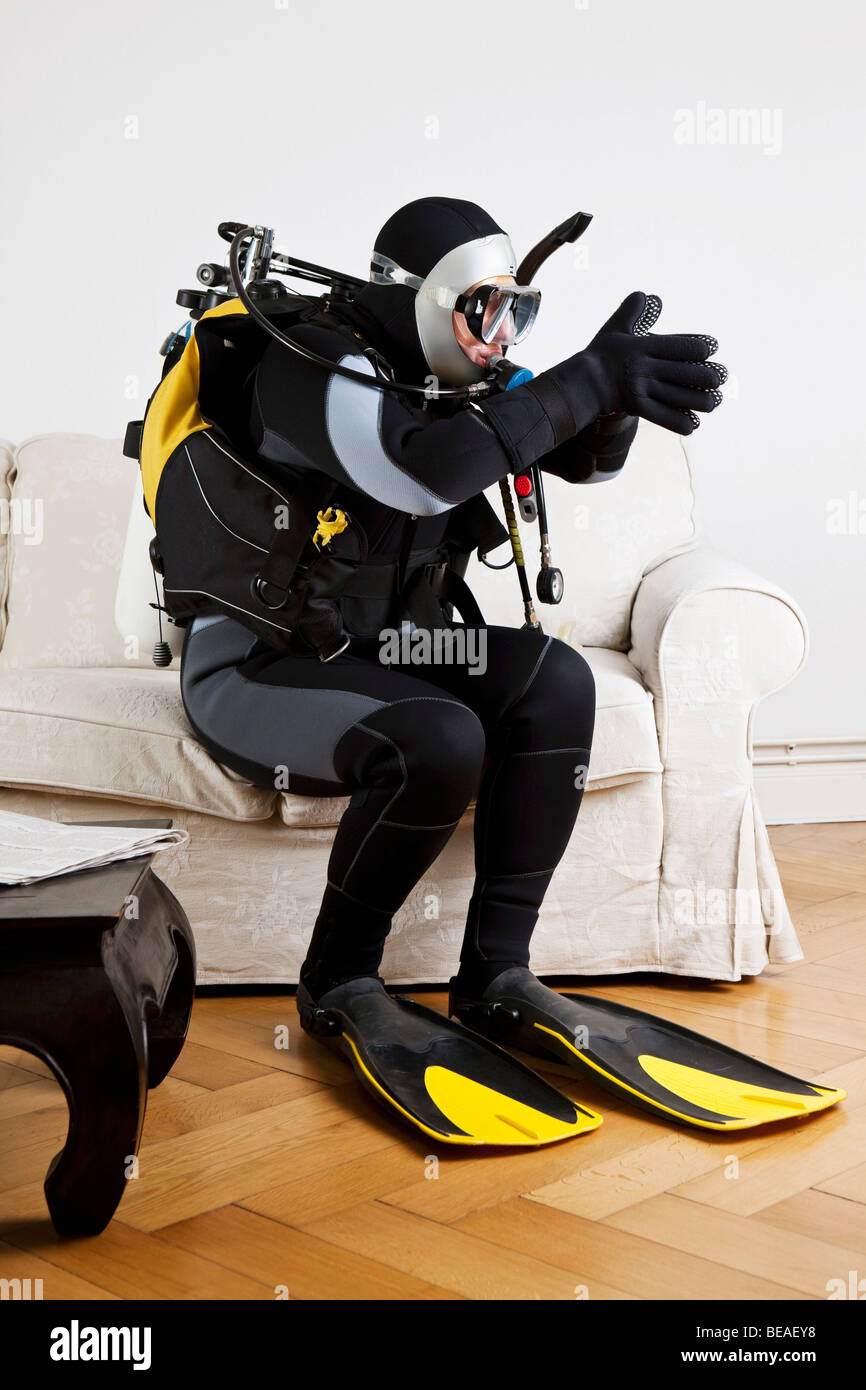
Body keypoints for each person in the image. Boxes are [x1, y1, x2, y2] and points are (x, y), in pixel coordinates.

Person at [179, 195, 726, 1124]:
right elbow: (415, 472)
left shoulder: (444, 381)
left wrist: (609, 398)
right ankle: (338, 981)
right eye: (486, 307)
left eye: (520, 308)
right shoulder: (307, 366)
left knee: (556, 681)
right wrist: (583, 381)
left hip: (388, 646)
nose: (501, 334)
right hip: (259, 665)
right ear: (427, 299)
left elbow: (583, 466)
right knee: (436, 737)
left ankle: (497, 978)